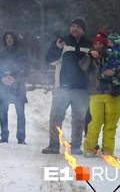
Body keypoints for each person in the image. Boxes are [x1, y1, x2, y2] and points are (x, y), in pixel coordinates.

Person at [42, 17, 93, 155]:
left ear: (83, 30)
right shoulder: (62, 42)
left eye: (78, 26)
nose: (74, 28)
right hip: (62, 87)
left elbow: (94, 66)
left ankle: (76, 145)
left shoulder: (90, 45)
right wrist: (57, 49)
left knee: (79, 119)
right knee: (56, 117)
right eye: (73, 26)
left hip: (82, 89)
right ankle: (53, 145)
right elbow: (50, 61)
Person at [80, 31, 120, 157]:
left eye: (101, 43)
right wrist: (90, 56)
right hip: (96, 93)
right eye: (96, 43)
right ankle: (89, 148)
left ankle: (108, 150)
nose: (98, 46)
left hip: (113, 94)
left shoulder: (115, 55)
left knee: (111, 124)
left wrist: (115, 74)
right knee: (95, 122)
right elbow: (83, 67)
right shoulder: (91, 56)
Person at [0, 31, 30, 144]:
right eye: (7, 37)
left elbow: (27, 70)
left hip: (18, 88)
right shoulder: (0, 55)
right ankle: (4, 136)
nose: (9, 39)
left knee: (20, 114)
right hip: (4, 87)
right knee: (3, 113)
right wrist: (2, 78)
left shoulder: (22, 54)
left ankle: (21, 137)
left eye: (11, 37)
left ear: (15, 39)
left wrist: (15, 78)